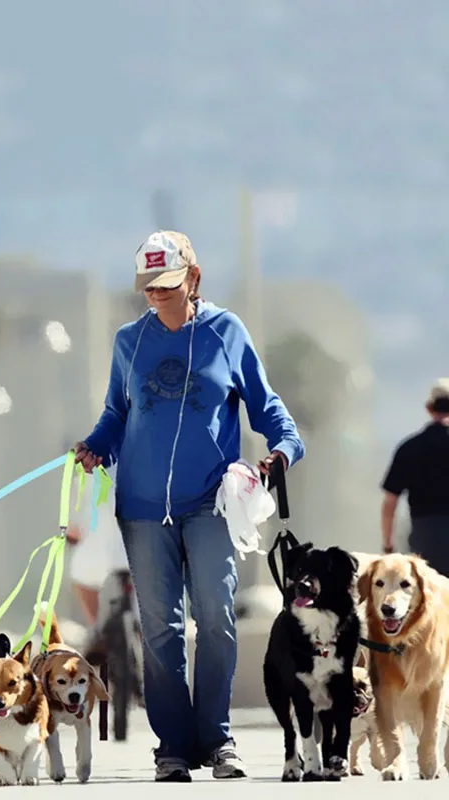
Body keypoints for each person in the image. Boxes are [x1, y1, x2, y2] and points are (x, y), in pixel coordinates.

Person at [74, 230, 305, 782]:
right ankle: (173, 747)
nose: (155, 294)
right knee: (160, 628)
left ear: (193, 278)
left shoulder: (227, 333)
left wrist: (282, 449)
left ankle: (217, 740)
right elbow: (115, 415)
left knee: (218, 620)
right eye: (147, 286)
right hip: (143, 509)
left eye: (166, 284)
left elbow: (268, 408)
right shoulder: (130, 341)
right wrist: (94, 445)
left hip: (209, 504)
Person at [380, 378, 449, 574]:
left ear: (429, 408)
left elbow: (390, 502)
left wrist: (388, 546)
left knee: (428, 599)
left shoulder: (410, 448)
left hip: (425, 541)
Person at [66, 464, 130, 627]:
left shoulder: (80, 481)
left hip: (89, 567)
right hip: (130, 563)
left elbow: (72, 532)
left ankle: (98, 632)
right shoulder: (136, 472)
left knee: (98, 627)